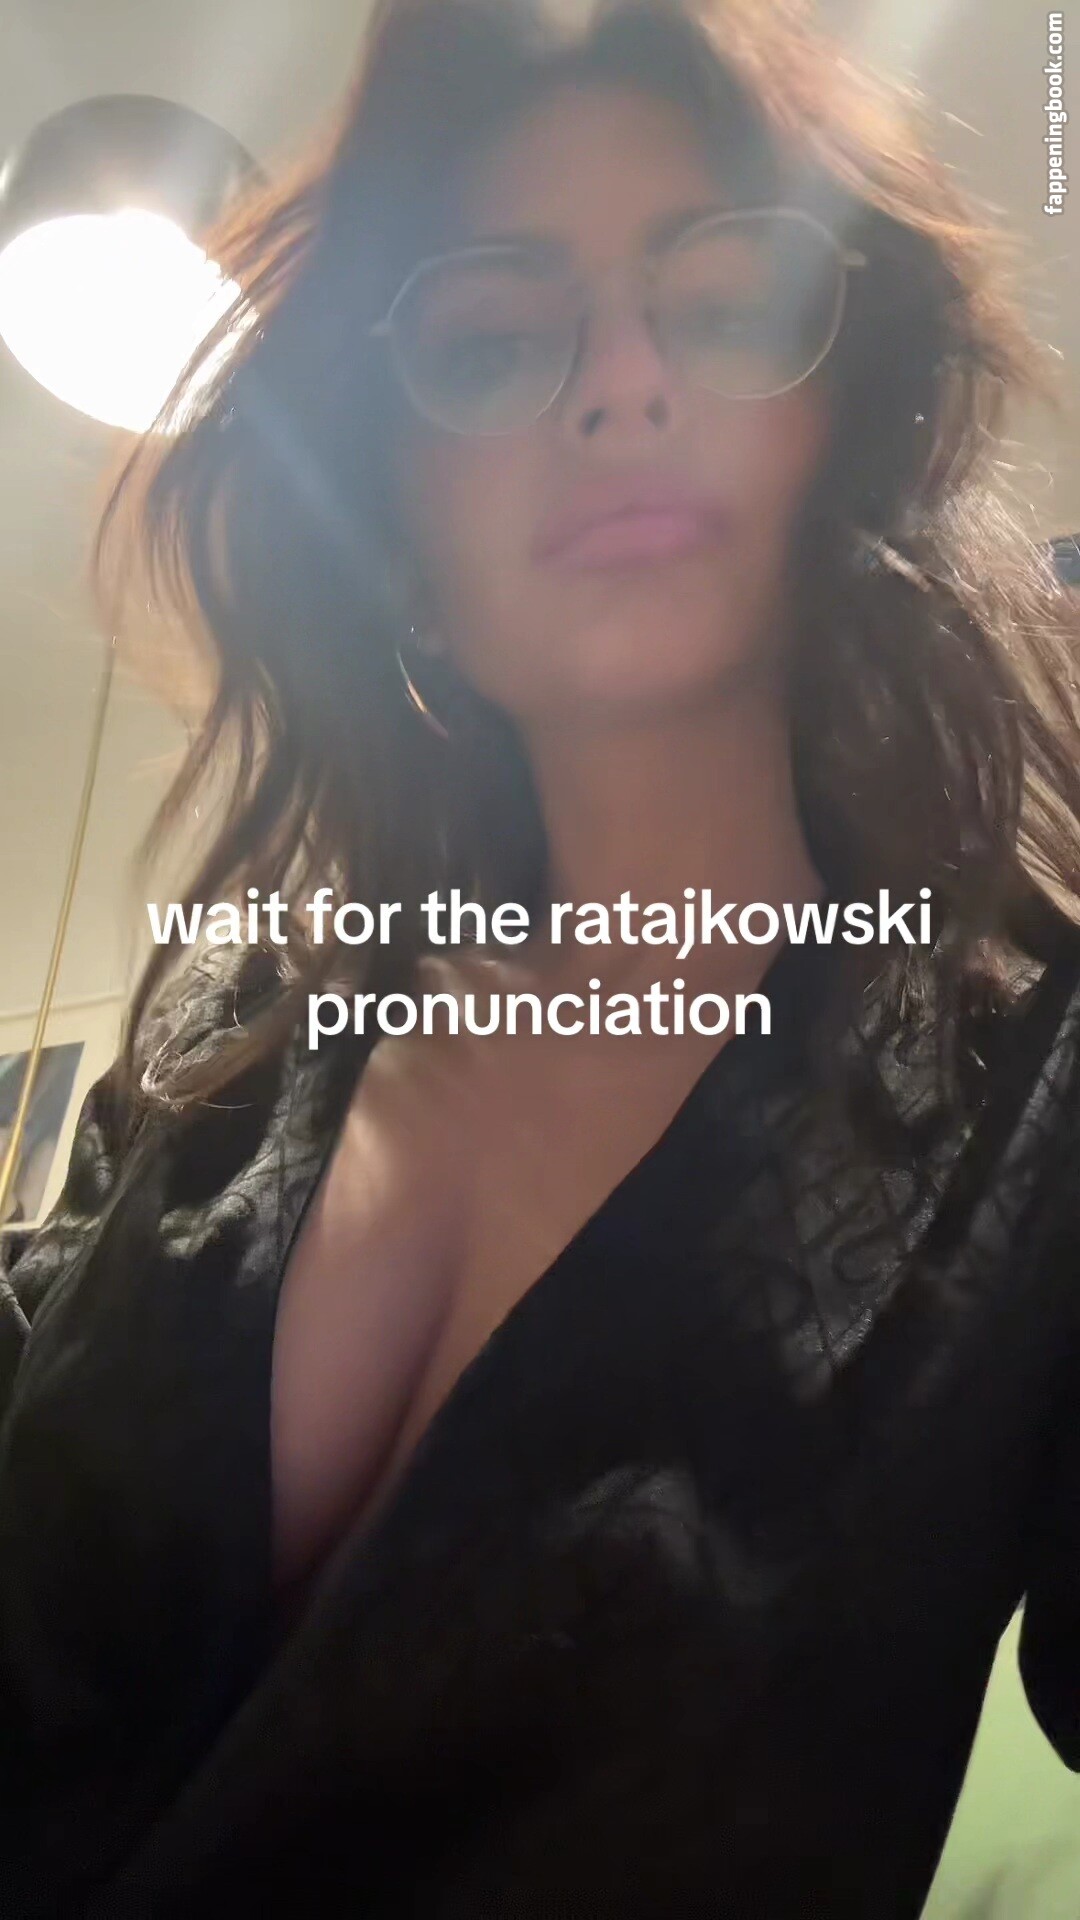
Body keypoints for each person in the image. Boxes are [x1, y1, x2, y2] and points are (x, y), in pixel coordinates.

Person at [2, 0, 1080, 1912]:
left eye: (724, 302)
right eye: (495, 339)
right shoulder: (237, 1015)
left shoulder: (1039, 1110)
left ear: (841, 425)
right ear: (396, 519)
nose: (621, 384)